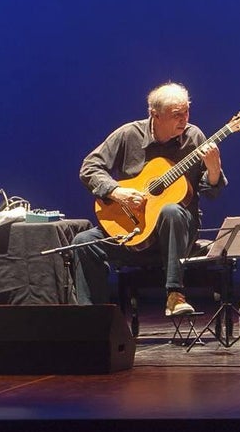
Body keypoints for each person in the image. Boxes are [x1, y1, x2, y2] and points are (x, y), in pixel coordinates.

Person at [72, 82, 226, 317]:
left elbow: (211, 192)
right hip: (136, 231)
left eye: (186, 112)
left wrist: (214, 170)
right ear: (155, 115)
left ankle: (174, 295)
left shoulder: (195, 137)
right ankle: (94, 319)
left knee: (170, 210)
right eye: (176, 115)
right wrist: (115, 191)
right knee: (84, 242)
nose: (184, 119)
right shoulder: (128, 134)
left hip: (177, 233)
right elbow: (90, 167)